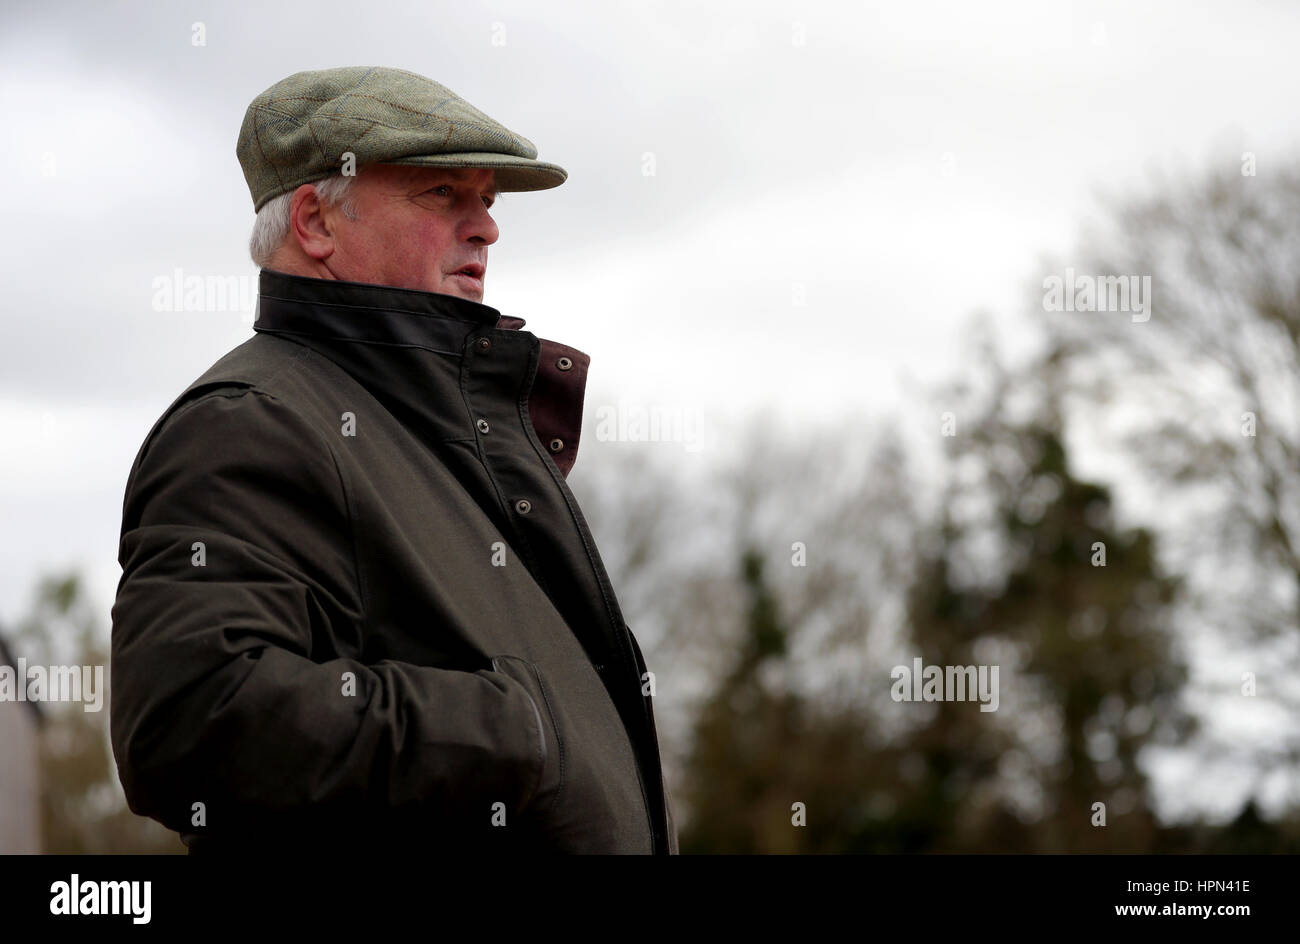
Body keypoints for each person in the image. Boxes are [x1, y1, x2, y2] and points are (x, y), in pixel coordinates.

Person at [109, 66, 679, 854]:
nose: (486, 226)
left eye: (488, 198)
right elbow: (189, 719)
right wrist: (517, 736)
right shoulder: (250, 424)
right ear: (315, 222)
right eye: (443, 193)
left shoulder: (428, 430)